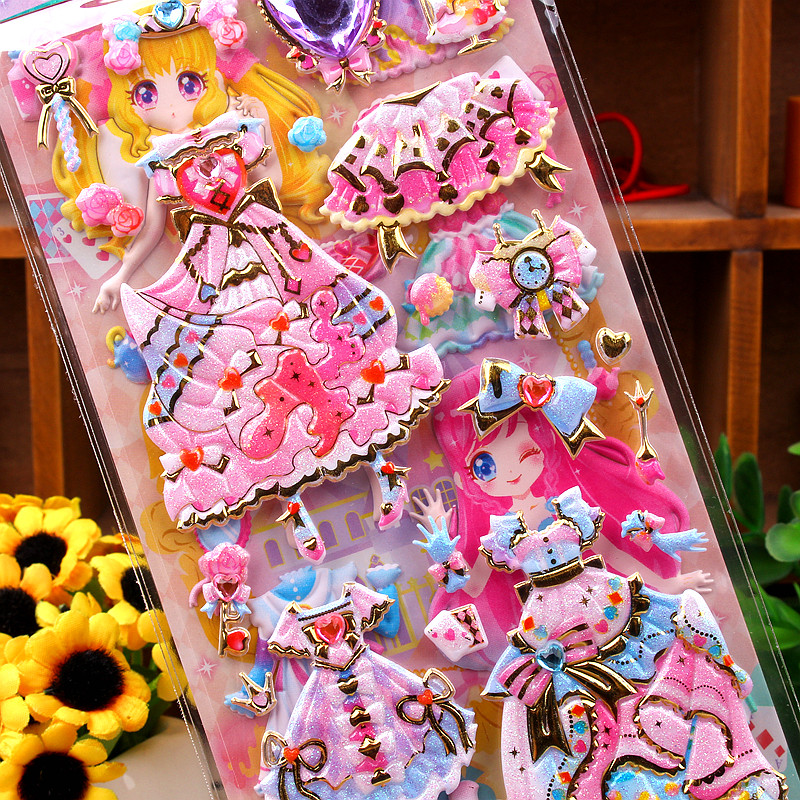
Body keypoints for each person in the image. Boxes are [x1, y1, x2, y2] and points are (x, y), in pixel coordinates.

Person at [414, 364, 709, 669]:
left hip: (598, 601)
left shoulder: (567, 508)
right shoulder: (501, 532)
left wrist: (664, 585)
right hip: (548, 628)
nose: (512, 471)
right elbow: (474, 586)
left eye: (525, 450)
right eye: (484, 466)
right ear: (465, 478)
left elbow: (610, 551)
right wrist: (443, 546)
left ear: (544, 440)